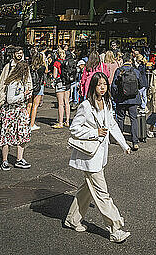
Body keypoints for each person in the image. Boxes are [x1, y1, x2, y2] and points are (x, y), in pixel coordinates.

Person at [65, 72, 131, 242]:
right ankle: (115, 229)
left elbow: (112, 125)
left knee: (87, 190)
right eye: (99, 84)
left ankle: (72, 219)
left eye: (105, 84)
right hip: (89, 157)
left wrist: (124, 145)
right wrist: (94, 133)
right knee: (102, 194)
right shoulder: (86, 106)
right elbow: (74, 128)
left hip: (100, 156)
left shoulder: (107, 102)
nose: (102, 87)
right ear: (93, 86)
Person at [0, 61, 32, 170]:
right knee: (6, 136)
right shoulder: (13, 83)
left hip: (20, 111)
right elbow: (10, 100)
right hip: (11, 112)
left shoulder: (21, 82)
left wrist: (26, 94)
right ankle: (4, 160)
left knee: (22, 135)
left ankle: (19, 159)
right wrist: (23, 95)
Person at [111, 53, 143, 151]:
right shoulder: (136, 71)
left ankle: (120, 139)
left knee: (120, 119)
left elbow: (114, 86)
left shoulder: (118, 71)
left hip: (121, 99)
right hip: (133, 99)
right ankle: (135, 141)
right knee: (133, 119)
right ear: (130, 60)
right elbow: (141, 85)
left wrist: (115, 97)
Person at [27, 49, 47, 130]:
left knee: (29, 105)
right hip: (39, 86)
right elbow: (46, 71)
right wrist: (44, 61)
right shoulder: (42, 67)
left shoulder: (29, 67)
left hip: (30, 86)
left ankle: (25, 122)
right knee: (35, 106)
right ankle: (32, 124)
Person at [52, 48, 71, 129]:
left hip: (60, 83)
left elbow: (55, 75)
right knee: (67, 102)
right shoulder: (68, 62)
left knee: (60, 104)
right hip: (67, 83)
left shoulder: (56, 63)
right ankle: (67, 121)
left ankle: (60, 122)